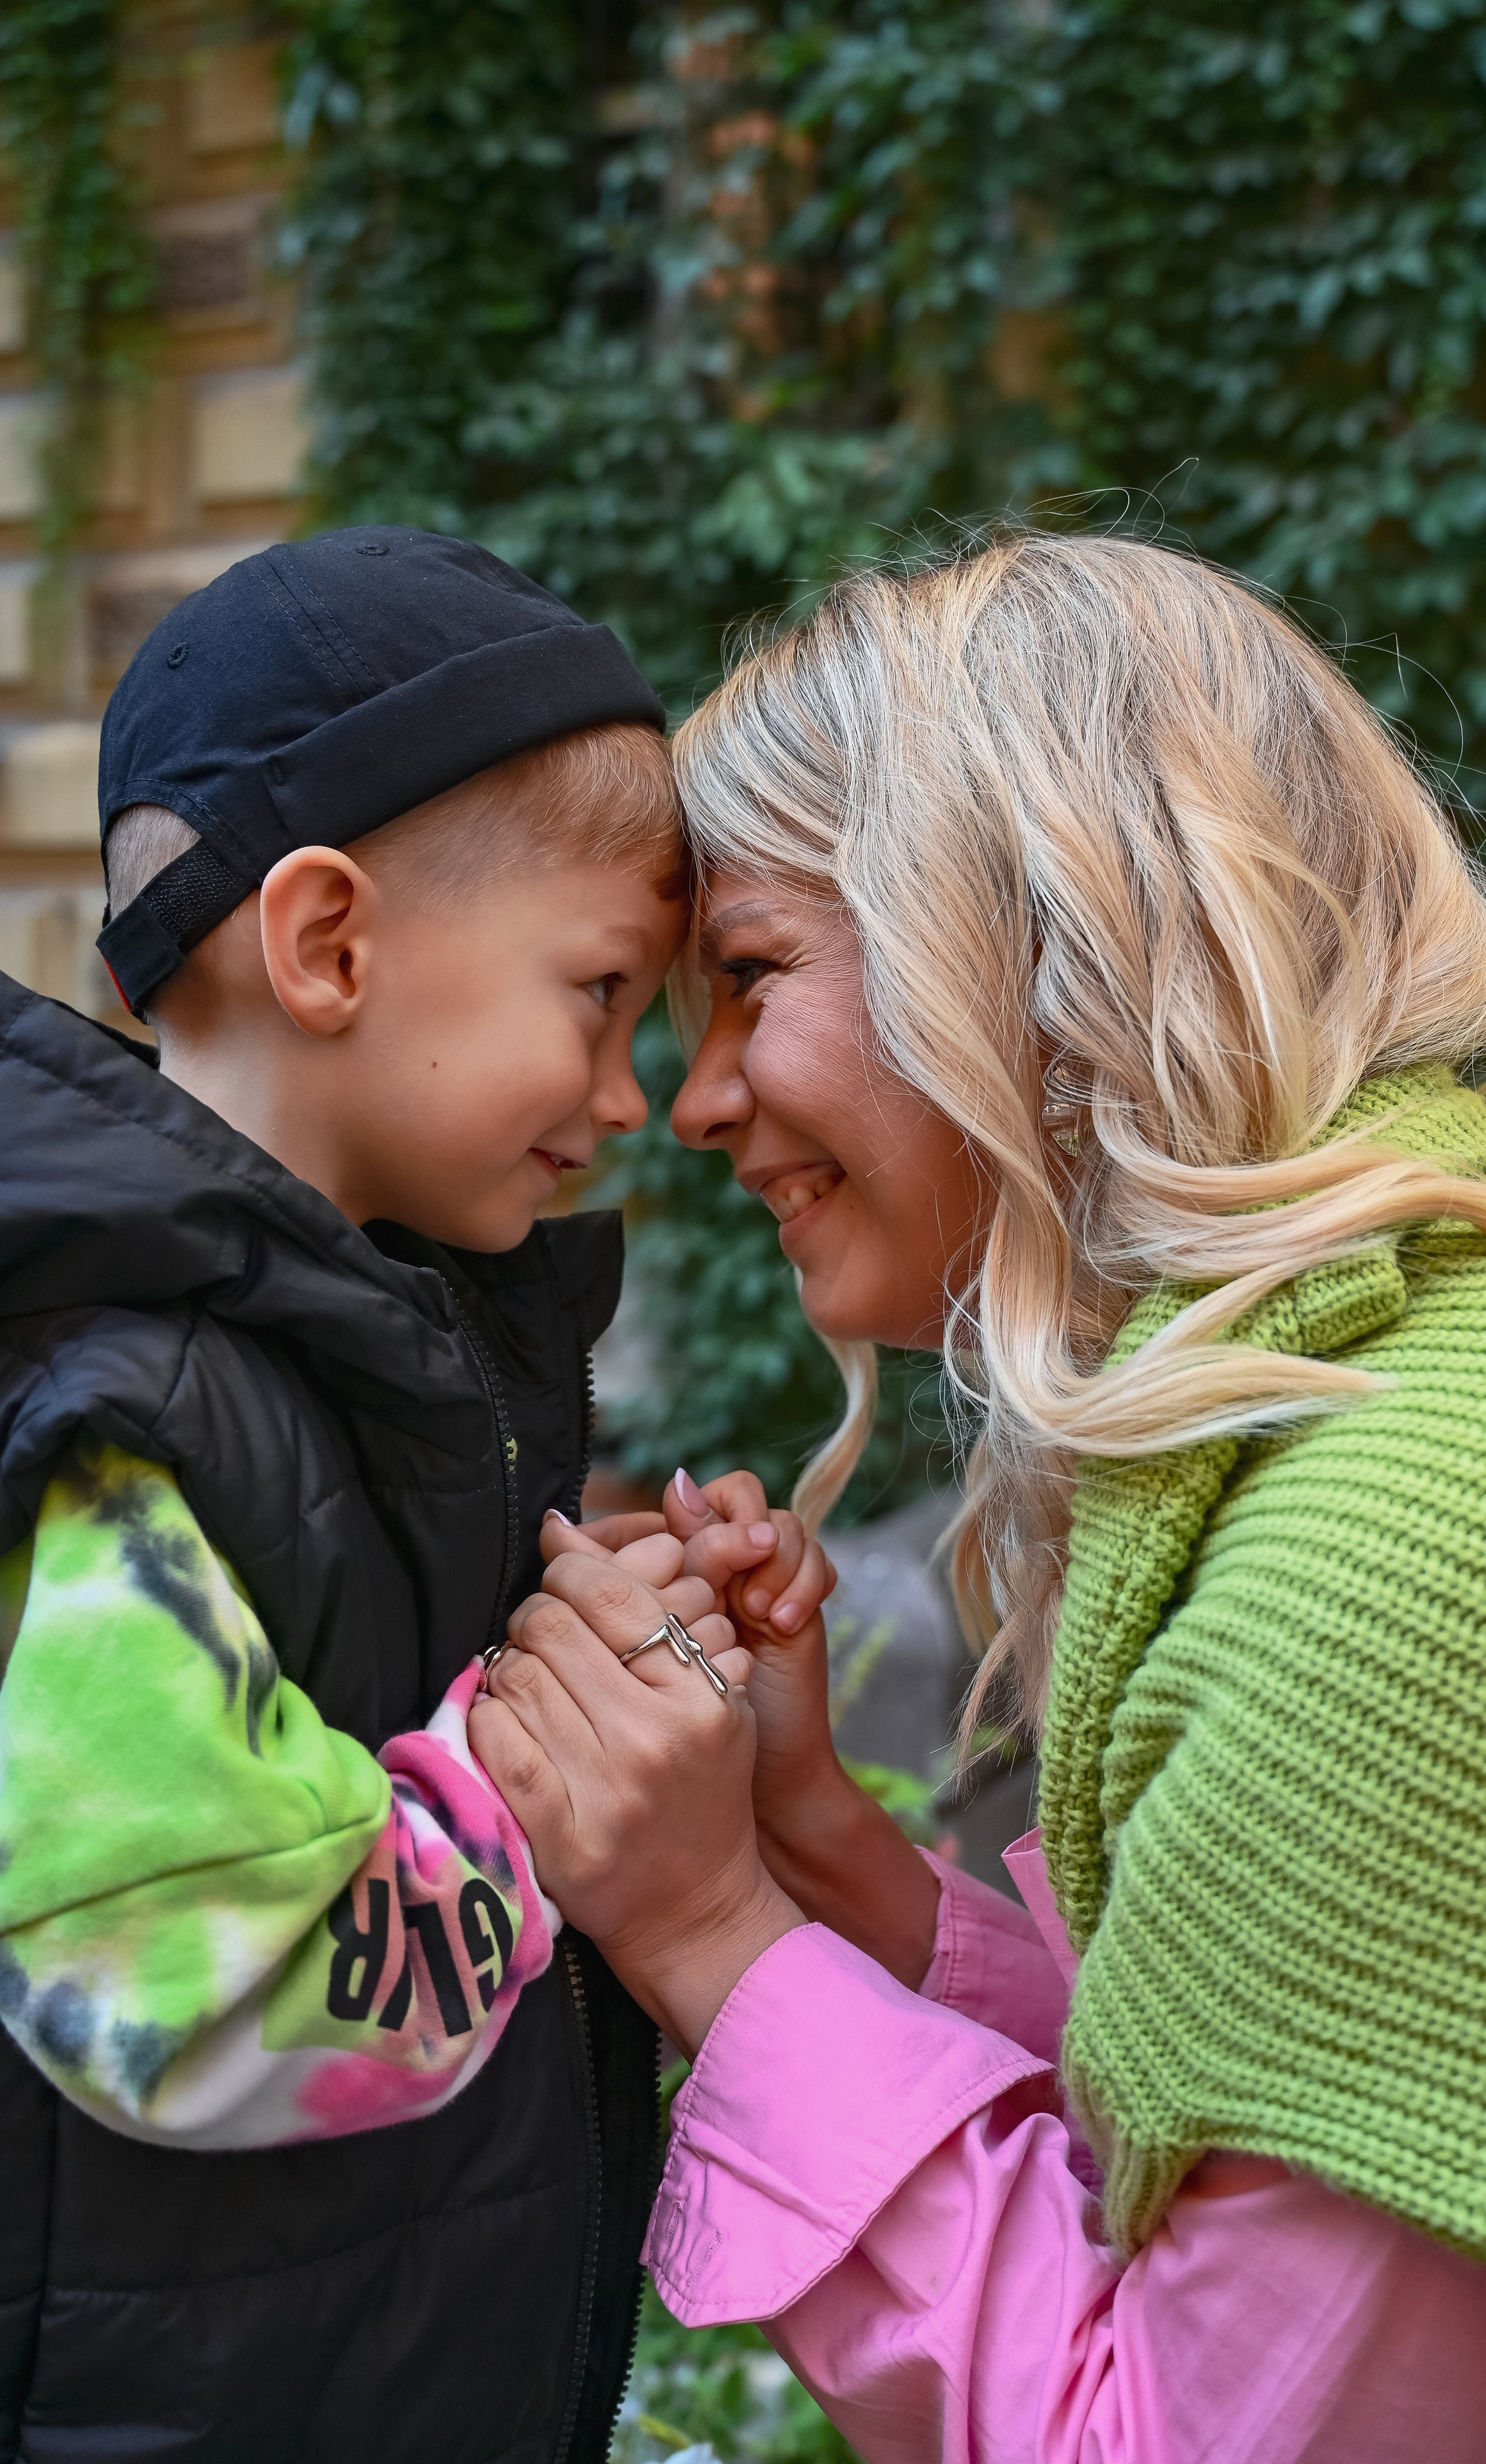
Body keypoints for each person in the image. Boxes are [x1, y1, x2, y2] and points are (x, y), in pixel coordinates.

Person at [468, 534, 1486, 2462]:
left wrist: (700, 1932)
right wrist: (810, 1847)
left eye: (753, 976)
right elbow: (1219, 2135)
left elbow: (1172, 2431)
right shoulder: (1390, 1380)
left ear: (1024, 932)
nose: (691, 1100)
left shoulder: (1383, 1567)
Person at [0, 526, 821, 2462]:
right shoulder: (95, 1428)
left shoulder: (327, 1354)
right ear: (329, 946)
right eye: (604, 990)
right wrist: (544, 1773)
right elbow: (214, 1986)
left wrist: (609, 1641)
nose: (635, 1096)